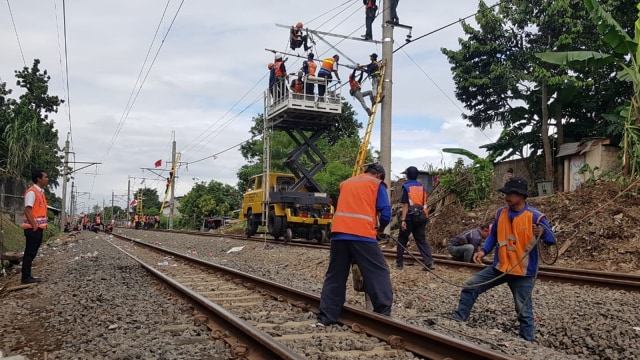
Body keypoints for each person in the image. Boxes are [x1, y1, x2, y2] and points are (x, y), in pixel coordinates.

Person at [451, 177, 556, 342]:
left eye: (510, 193)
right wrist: (484, 251)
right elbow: (494, 235)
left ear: (521, 196)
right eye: (506, 193)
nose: (506, 196)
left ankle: (527, 343)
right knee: (471, 285)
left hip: (523, 272)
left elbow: (551, 240)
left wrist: (542, 232)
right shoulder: (501, 213)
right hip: (500, 267)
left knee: (524, 310)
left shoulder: (535, 217)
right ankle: (458, 319)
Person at [317, 163, 392, 326]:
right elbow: (386, 211)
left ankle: (326, 317)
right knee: (378, 272)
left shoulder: (346, 183)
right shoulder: (376, 184)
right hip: (362, 235)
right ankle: (383, 315)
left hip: (338, 234)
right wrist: (380, 229)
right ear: (379, 175)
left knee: (335, 276)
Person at [396, 166, 434, 270]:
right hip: (421, 216)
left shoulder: (406, 187)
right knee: (421, 240)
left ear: (407, 175)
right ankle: (429, 262)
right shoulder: (421, 187)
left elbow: (405, 205)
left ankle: (399, 264)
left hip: (409, 217)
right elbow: (424, 203)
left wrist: (403, 220)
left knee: (402, 239)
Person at [21, 170, 49, 284]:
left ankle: (27, 275)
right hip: (33, 228)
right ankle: (25, 277)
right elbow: (27, 209)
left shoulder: (40, 192)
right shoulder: (32, 192)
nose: (47, 179)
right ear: (39, 179)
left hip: (38, 228)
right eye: (45, 177)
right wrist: (34, 226)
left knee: (32, 253)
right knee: (29, 253)